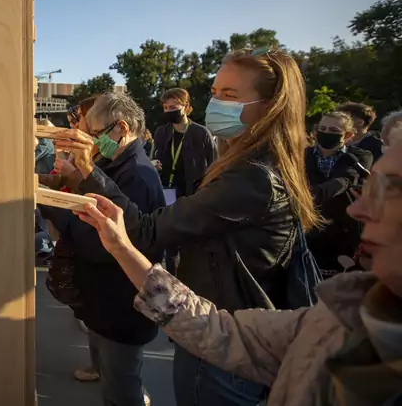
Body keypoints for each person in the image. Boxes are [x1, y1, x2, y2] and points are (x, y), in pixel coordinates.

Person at [55, 48, 318, 406]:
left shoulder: (251, 179)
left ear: (270, 106)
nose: (216, 103)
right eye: (214, 92)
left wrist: (88, 171)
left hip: (221, 339)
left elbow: (146, 231)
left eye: (230, 95)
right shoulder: (252, 166)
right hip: (225, 330)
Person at [75, 140, 402, 406]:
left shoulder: (253, 180)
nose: (356, 209)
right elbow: (217, 330)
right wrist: (121, 248)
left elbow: (150, 230)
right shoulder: (339, 319)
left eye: (389, 191)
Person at [41, 92, 164, 406]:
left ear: (120, 129)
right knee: (109, 362)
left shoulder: (137, 174)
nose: (90, 143)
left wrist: (54, 205)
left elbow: (100, 242)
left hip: (122, 305)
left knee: (122, 388)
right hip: (107, 301)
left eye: (93, 135)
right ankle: (101, 368)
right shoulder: (116, 161)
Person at [305, 111, 373, 278]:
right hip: (309, 231)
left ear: (348, 135)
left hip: (345, 233)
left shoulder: (358, 157)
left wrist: (308, 194)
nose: (326, 133)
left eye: (334, 130)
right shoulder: (302, 156)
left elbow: (345, 179)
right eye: (323, 128)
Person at [153, 88, 217, 198]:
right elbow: (154, 157)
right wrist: (154, 164)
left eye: (173, 107)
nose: (168, 111)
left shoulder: (201, 133)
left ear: (186, 107)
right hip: (166, 193)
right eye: (165, 108)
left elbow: (215, 164)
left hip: (195, 195)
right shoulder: (161, 132)